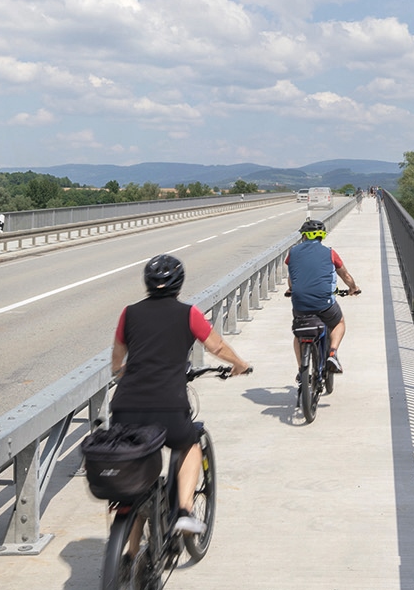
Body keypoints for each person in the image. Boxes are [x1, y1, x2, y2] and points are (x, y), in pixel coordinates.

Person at [110, 253, 252, 536]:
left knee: (137, 477)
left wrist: (125, 371)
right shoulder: (188, 314)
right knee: (189, 445)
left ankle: (130, 556)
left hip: (125, 408)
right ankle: (185, 511)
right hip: (168, 408)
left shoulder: (129, 313)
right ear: (179, 283)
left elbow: (116, 363)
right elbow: (217, 347)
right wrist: (239, 365)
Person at [284, 218, 359, 373]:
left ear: (303, 235)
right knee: (339, 322)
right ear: (321, 236)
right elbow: (345, 276)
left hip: (300, 303)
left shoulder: (292, 253)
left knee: (299, 333)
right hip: (324, 303)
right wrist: (353, 288)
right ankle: (332, 352)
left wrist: (291, 289)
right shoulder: (330, 253)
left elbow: (292, 277)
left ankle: (301, 370)